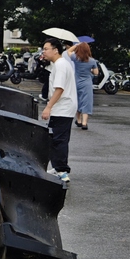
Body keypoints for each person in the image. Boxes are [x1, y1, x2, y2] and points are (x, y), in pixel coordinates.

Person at [40, 37, 77, 185]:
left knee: (58, 139)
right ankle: (58, 167)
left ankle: (62, 170)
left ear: (55, 50)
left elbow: (59, 88)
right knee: (56, 138)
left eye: (46, 49)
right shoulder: (59, 64)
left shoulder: (61, 65)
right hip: (63, 107)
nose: (44, 51)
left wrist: (48, 107)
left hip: (63, 107)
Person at [68, 41, 98, 129]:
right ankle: (84, 123)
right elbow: (96, 72)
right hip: (87, 83)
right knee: (86, 102)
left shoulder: (75, 58)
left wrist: (76, 45)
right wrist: (91, 70)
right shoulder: (92, 61)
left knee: (78, 101)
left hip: (76, 82)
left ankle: (79, 120)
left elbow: (68, 51)